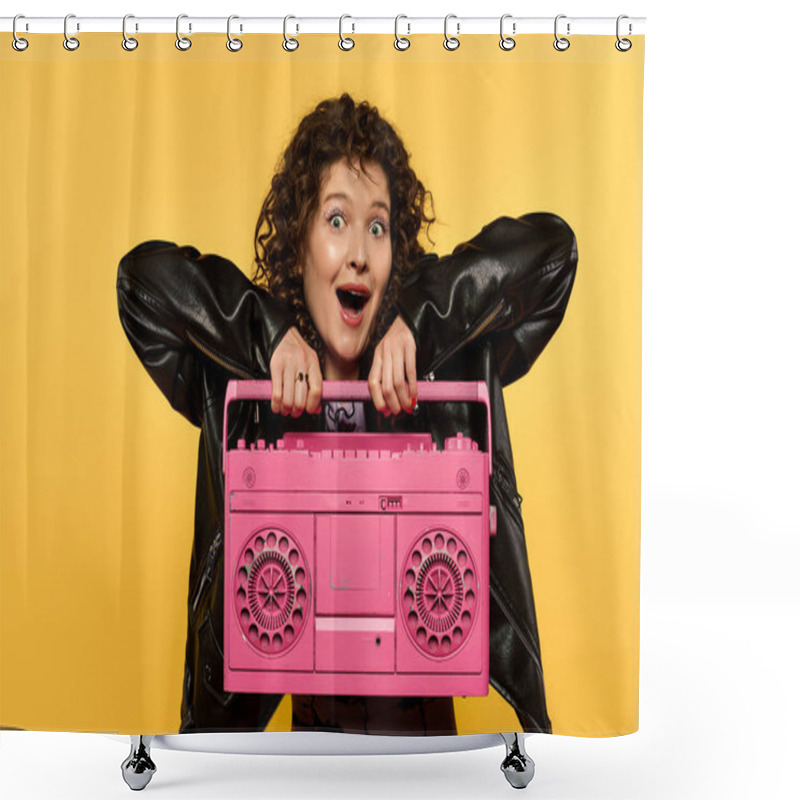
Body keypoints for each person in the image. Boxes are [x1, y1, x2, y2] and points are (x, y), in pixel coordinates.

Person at [117, 93, 577, 736]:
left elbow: (555, 254)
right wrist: (264, 333)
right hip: (306, 748)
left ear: (395, 256)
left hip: (427, 746)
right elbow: (139, 282)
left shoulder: (446, 368)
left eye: (378, 226)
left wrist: (423, 321)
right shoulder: (243, 389)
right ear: (299, 243)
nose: (359, 252)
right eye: (336, 221)